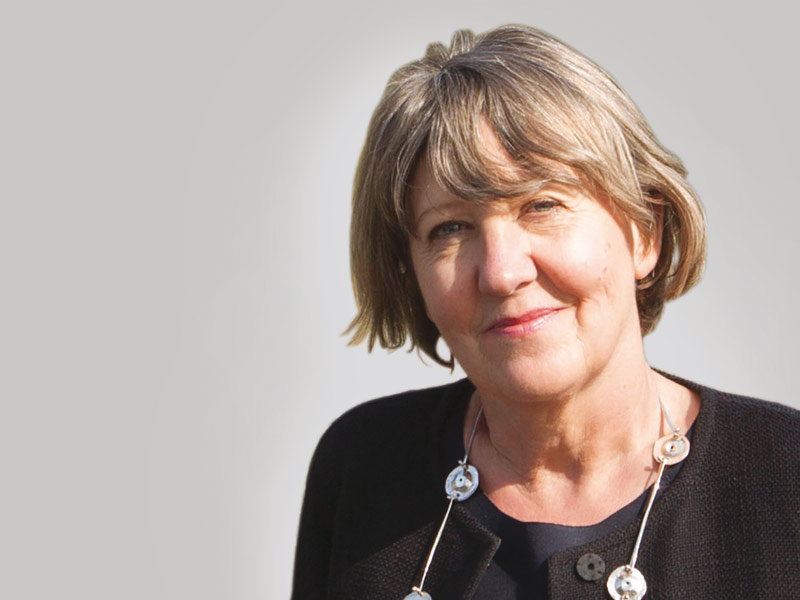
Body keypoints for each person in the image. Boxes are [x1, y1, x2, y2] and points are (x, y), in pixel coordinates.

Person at [292, 24, 800, 600]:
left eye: (541, 205)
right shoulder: (364, 469)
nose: (501, 272)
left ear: (646, 232)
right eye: (450, 228)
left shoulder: (785, 478)